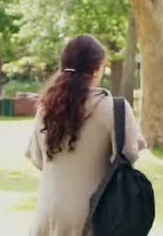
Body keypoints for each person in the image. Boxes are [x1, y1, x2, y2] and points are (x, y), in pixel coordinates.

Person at [25, 35, 146, 236]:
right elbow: (129, 156)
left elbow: (38, 160)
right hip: (95, 217)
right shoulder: (115, 109)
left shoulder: (45, 110)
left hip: (47, 218)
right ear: (97, 69)